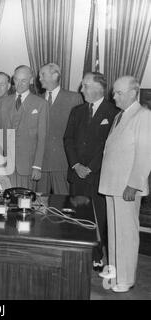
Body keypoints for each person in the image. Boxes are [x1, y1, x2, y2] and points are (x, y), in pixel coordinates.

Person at [98, 76, 151, 293]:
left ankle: (126, 278)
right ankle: (114, 269)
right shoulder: (121, 115)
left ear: (132, 93)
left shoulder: (143, 115)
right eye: (114, 92)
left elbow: (145, 154)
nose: (114, 96)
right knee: (115, 230)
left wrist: (134, 184)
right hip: (112, 183)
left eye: (119, 92)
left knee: (126, 232)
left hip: (126, 186)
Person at [64, 72, 119, 270]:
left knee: (98, 218)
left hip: (98, 177)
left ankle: (96, 256)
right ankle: (78, 256)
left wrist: (91, 167)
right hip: (77, 174)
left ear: (99, 88)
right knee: (77, 216)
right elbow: (68, 139)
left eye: (85, 86)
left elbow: (109, 145)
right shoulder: (76, 111)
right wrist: (76, 165)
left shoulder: (114, 112)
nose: (81, 90)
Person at [0, 65, 48, 189]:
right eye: (17, 80)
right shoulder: (3, 102)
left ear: (30, 81)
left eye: (24, 80)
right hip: (5, 165)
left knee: (24, 203)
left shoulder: (41, 104)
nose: (20, 83)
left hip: (27, 166)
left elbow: (42, 138)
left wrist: (37, 166)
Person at [37, 63, 83, 195]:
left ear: (55, 75)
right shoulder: (36, 99)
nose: (39, 78)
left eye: (42, 75)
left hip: (63, 162)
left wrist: (76, 162)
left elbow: (79, 133)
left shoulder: (74, 98)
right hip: (40, 164)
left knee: (64, 205)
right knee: (40, 205)